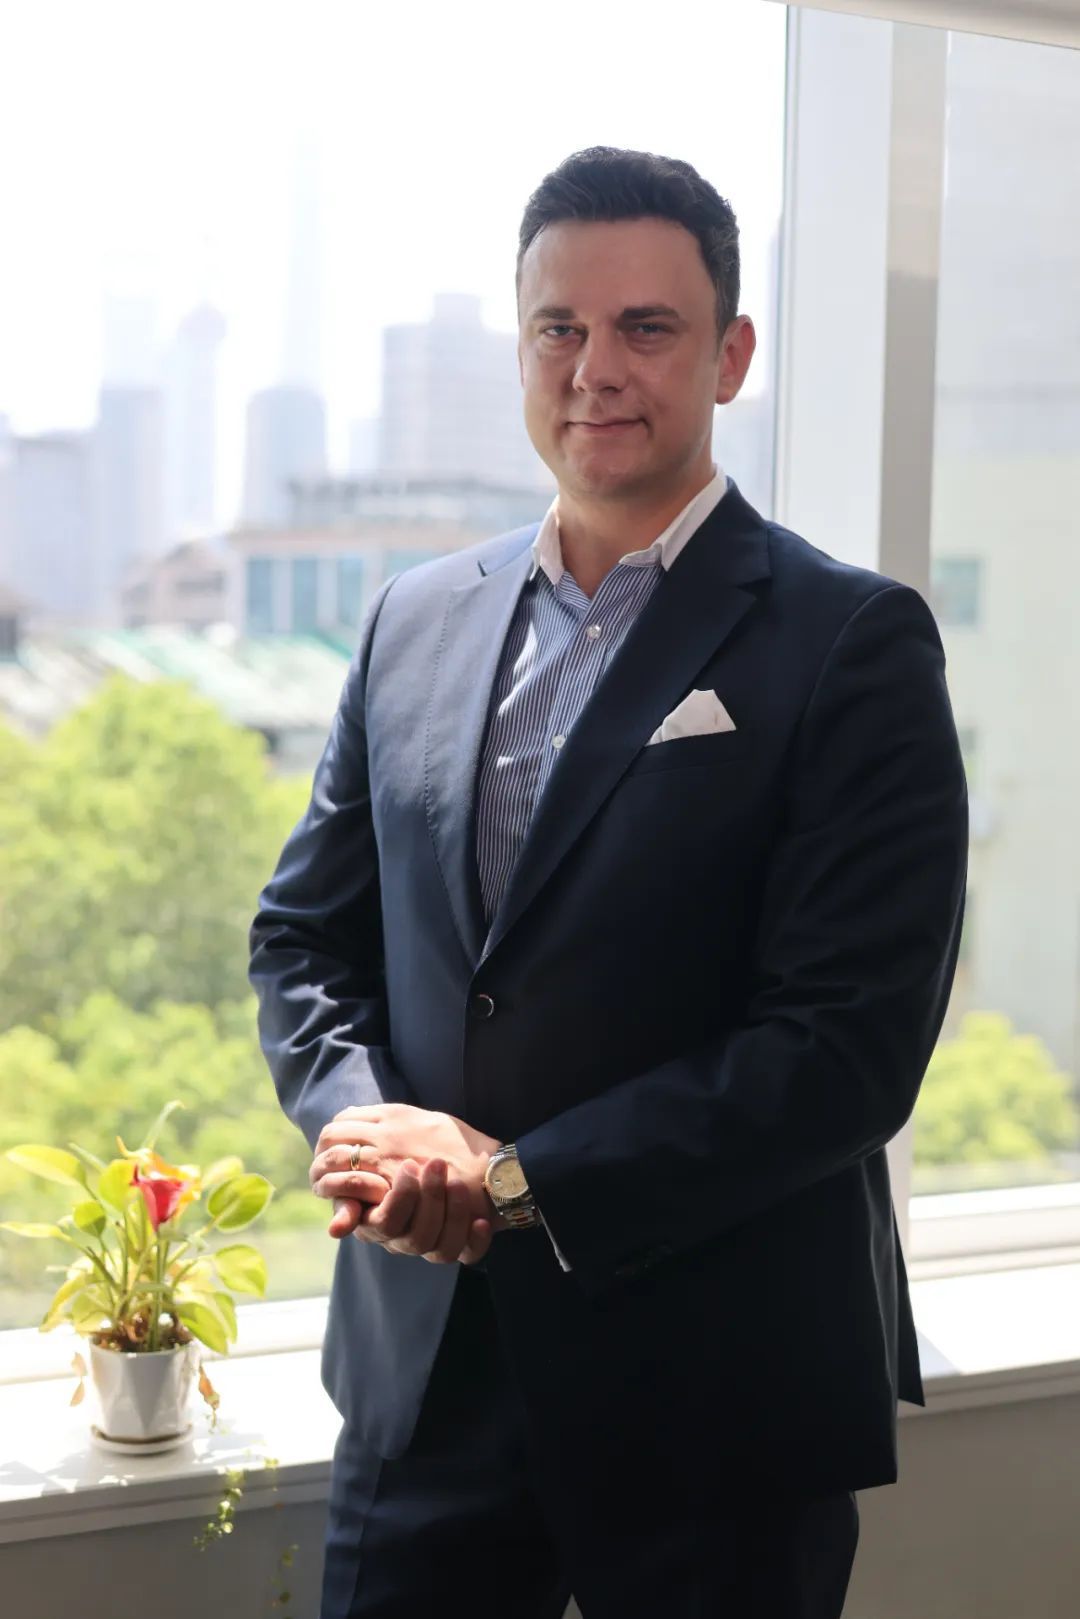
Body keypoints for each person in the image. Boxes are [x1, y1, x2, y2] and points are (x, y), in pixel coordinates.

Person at [249, 145, 968, 1619]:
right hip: (426, 1379)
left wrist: (514, 1187)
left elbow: (844, 1049)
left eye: (646, 327)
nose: (595, 370)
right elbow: (304, 941)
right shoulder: (408, 620)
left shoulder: (852, 640)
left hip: (716, 1404)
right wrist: (375, 1138)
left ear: (730, 355)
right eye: (559, 328)